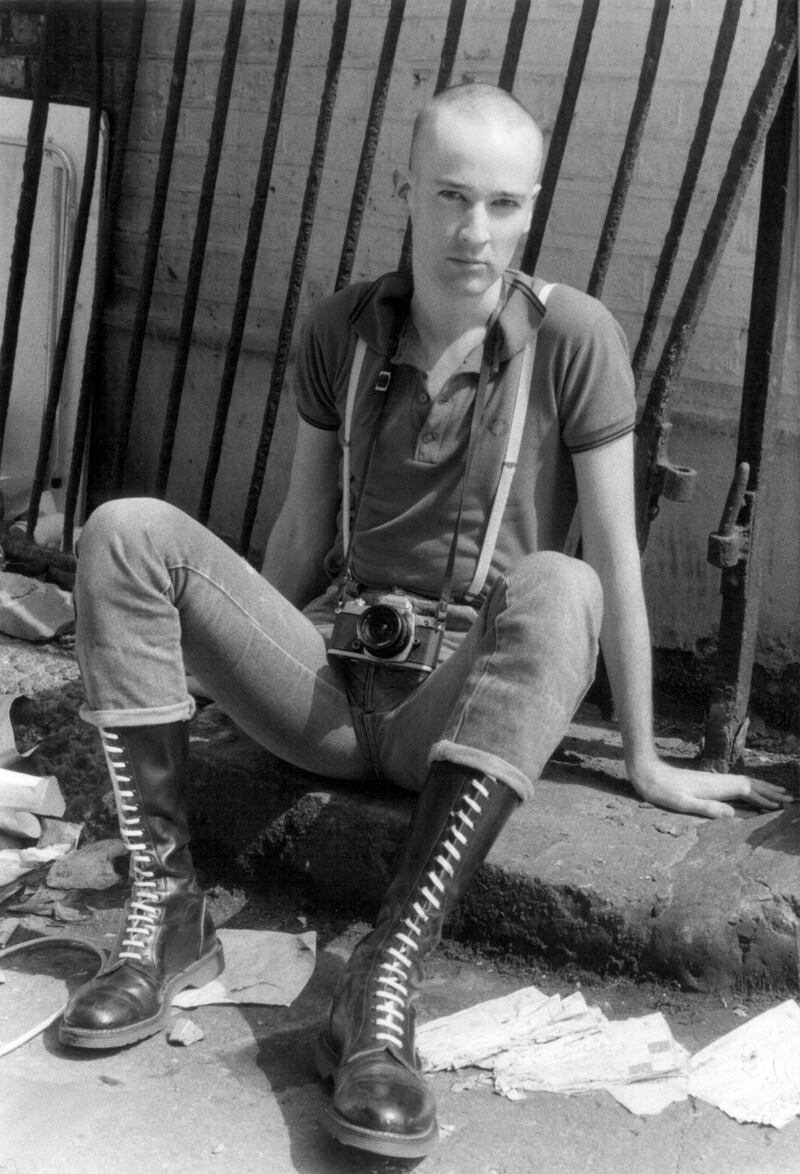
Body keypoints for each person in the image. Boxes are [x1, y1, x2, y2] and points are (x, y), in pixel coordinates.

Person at [58, 84, 793, 1158]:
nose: (472, 231)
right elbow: (303, 526)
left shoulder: (574, 337)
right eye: (450, 196)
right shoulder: (343, 330)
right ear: (407, 191)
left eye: (501, 204)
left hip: (456, 711)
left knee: (564, 580)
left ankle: (384, 972)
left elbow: (616, 564)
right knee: (123, 527)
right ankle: (166, 916)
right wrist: (226, 681)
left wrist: (641, 754)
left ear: (531, 209)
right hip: (329, 680)